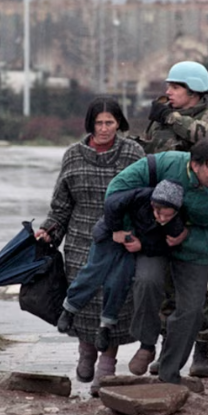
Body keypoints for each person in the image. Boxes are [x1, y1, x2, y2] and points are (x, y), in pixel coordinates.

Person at [106, 138, 208, 385]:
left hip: (193, 251)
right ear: (194, 165)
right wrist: (126, 229)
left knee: (191, 309)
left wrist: (188, 237)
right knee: (147, 281)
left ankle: (169, 373)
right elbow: (116, 190)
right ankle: (147, 344)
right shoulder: (164, 164)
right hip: (151, 241)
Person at [36, 97, 145, 395]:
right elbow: (61, 204)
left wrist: (136, 235)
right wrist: (48, 231)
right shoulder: (73, 155)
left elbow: (142, 200)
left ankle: (106, 368)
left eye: (110, 122)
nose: (104, 128)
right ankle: (86, 352)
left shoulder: (133, 153)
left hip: (120, 240)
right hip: (81, 241)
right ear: (90, 124)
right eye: (99, 123)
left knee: (116, 301)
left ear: (119, 123)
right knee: (83, 301)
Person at [138, 60, 208, 379]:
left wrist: (169, 116)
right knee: (166, 283)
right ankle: (169, 347)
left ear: (193, 92)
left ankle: (201, 347)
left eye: (175, 87)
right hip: (162, 210)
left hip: (196, 211)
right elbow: (149, 154)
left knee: (194, 284)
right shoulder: (162, 120)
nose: (167, 92)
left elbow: (204, 139)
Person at [56, 180, 186, 354]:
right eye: (158, 212)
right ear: (152, 203)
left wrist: (143, 246)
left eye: (167, 216)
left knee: (118, 282)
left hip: (132, 246)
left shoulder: (175, 223)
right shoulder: (140, 196)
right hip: (110, 235)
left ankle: (105, 326)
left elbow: (166, 246)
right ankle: (70, 308)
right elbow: (112, 204)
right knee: (93, 273)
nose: (161, 219)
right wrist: (116, 230)